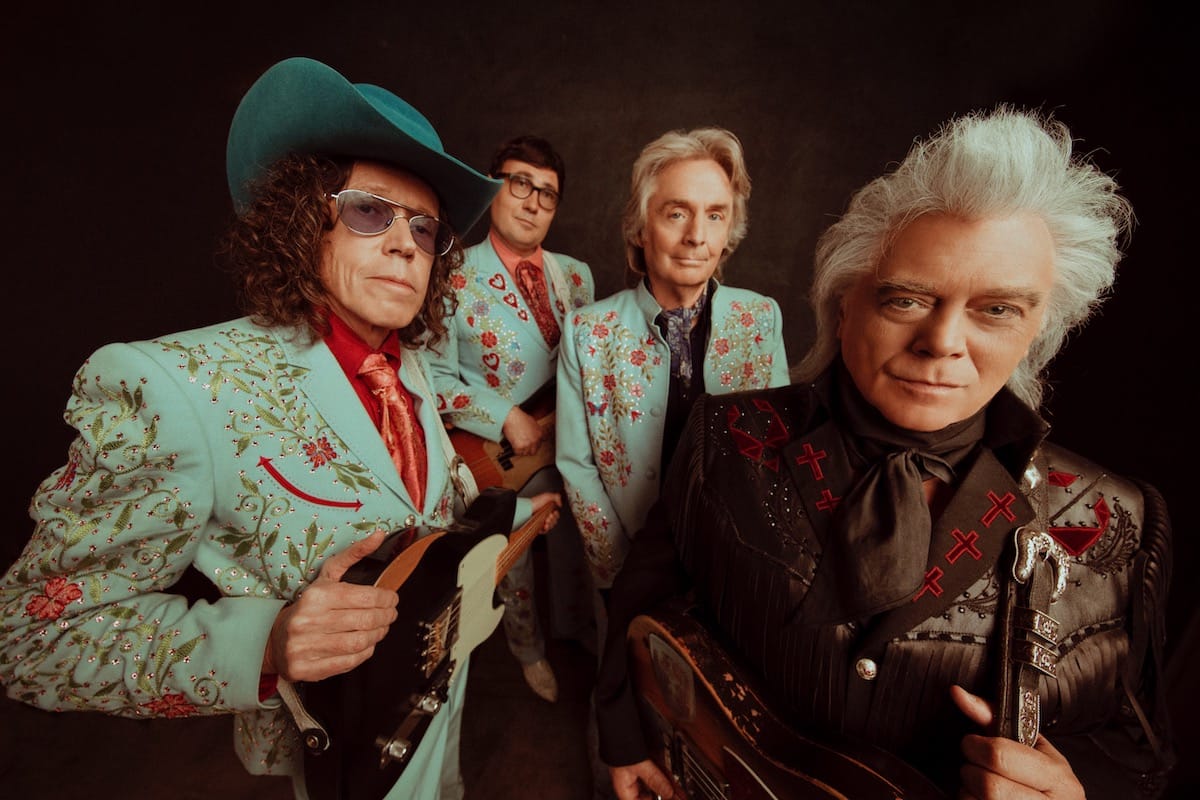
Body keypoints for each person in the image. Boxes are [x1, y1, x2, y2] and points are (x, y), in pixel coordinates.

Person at [0, 56, 560, 800]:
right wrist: (264, 641)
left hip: (436, 706)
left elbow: (417, 508)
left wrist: (504, 508)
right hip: (336, 758)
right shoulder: (174, 387)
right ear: (303, 223)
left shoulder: (414, 365)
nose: (404, 243)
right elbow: (31, 642)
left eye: (425, 229)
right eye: (370, 211)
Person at [595, 106, 1175, 800]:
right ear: (845, 307)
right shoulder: (726, 436)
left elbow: (1138, 752)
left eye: (997, 310)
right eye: (907, 299)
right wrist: (623, 736)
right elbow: (643, 600)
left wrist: (1077, 790)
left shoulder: (1112, 521)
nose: (942, 342)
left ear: (1038, 330)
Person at [556, 126, 789, 594]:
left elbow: (778, 447)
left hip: (736, 565)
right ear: (641, 227)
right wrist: (623, 574)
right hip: (632, 564)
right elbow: (577, 466)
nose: (696, 236)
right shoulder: (587, 332)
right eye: (676, 213)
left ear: (730, 231)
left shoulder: (760, 317)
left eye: (715, 215)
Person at [428, 134, 597, 703]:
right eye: (520, 183)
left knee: (584, 546)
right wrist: (502, 415)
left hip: (571, 449)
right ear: (493, 185)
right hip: (500, 459)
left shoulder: (578, 276)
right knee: (515, 563)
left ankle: (583, 638)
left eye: (547, 193)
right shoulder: (450, 275)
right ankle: (528, 651)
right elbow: (432, 378)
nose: (532, 202)